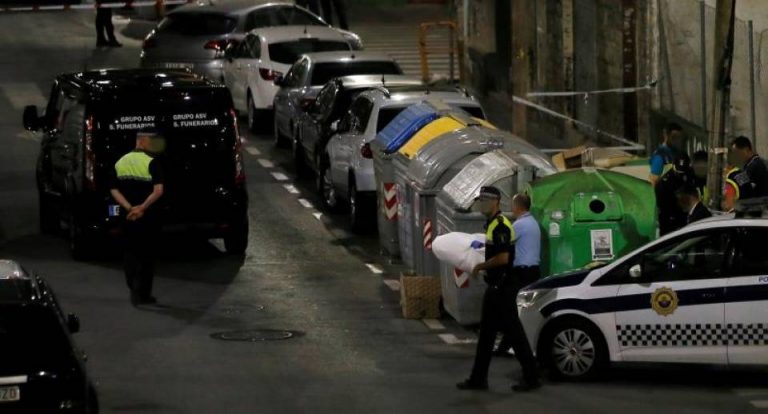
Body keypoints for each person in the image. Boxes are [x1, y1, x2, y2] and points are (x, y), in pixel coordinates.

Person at [456, 187, 540, 392]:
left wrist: (480, 266)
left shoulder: (501, 225)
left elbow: (503, 258)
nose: (482, 204)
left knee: (514, 334)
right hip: (496, 287)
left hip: (502, 288)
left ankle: (531, 377)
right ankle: (478, 379)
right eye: (480, 200)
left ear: (496, 202)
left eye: (486, 200)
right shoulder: (493, 224)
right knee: (487, 335)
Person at [110, 131, 165, 306]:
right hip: (148, 216)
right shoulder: (151, 162)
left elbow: (113, 189)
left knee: (130, 250)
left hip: (127, 216)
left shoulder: (121, 162)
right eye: (150, 141)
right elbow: (158, 191)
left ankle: (132, 283)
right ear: (141, 141)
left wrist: (129, 208)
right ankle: (144, 294)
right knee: (147, 254)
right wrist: (142, 207)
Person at [494, 193, 541, 357]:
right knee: (518, 310)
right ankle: (507, 345)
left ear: (517, 207)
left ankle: (508, 347)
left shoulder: (520, 225)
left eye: (512, 205)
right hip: (533, 271)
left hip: (522, 273)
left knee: (512, 309)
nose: (511, 209)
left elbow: (502, 242)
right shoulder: (533, 222)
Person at [655, 152, 695, 235]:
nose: (681, 175)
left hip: (685, 216)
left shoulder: (690, 174)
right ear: (673, 165)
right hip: (669, 219)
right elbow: (661, 205)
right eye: (678, 172)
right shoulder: (665, 182)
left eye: (683, 173)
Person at [649, 122, 684, 187]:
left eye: (679, 137)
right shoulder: (660, 155)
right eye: (674, 137)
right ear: (666, 135)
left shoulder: (677, 152)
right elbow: (654, 181)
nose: (677, 140)